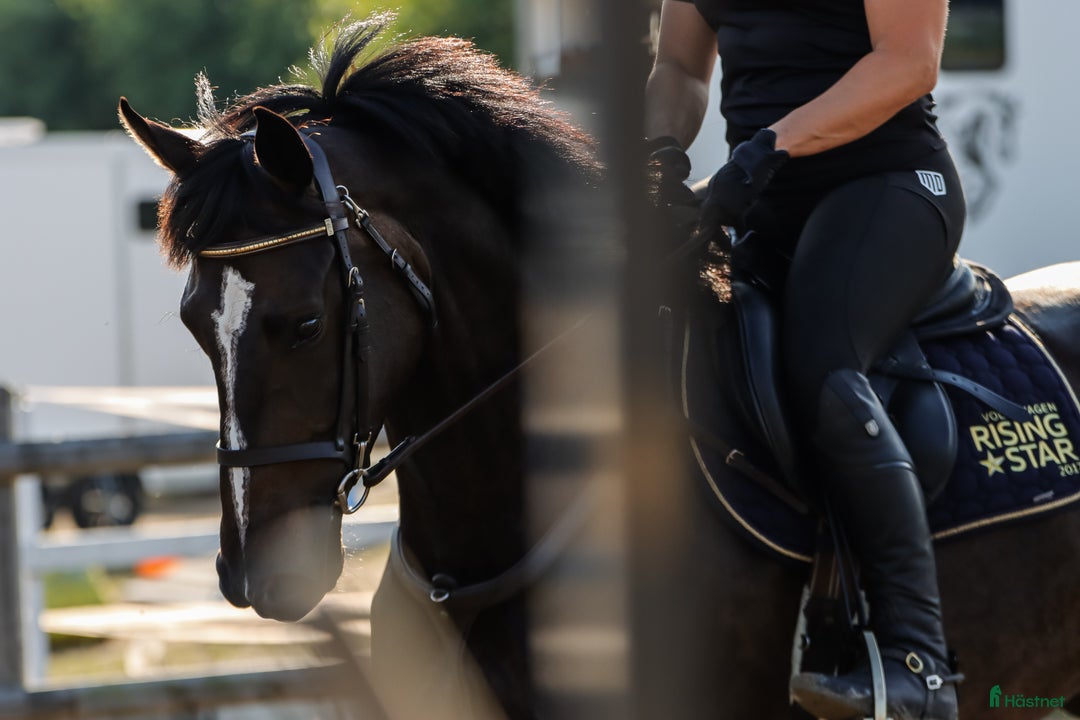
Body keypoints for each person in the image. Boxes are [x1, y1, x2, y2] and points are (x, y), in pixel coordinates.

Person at [644, 1, 965, 718]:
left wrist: (767, 146)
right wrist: (659, 151)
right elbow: (679, 67)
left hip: (891, 185)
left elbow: (909, 62)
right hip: (764, 196)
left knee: (822, 366)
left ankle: (920, 663)